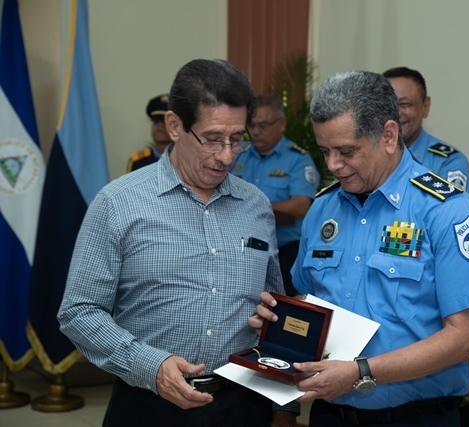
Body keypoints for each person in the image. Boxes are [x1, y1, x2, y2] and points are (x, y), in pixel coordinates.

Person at [58, 59, 298, 427]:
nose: (226, 155)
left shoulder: (256, 206)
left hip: (243, 402)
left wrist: (284, 403)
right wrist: (150, 366)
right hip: (147, 404)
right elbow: (79, 311)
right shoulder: (118, 203)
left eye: (237, 139)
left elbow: (272, 306)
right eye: (213, 139)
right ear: (175, 126)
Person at [251, 70, 469, 426]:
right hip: (331, 414)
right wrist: (280, 323)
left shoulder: (448, 212)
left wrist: (361, 372)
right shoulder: (323, 208)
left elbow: (462, 340)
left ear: (388, 136)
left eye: (346, 151)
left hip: (413, 418)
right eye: (324, 151)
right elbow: (310, 300)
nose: (332, 165)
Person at [231, 94, 319, 297]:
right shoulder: (238, 156)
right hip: (242, 249)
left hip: (285, 250)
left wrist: (257, 206)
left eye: (263, 126)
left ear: (281, 124)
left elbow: (301, 205)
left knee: (282, 306)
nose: (255, 132)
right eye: (251, 125)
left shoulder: (298, 159)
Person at [382, 66, 469, 196]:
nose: (396, 113)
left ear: (425, 106)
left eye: (404, 104)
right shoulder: (368, 156)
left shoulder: (449, 162)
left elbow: (453, 209)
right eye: (388, 106)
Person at [125, 93, 173, 173]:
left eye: (165, 121)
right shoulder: (138, 162)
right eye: (156, 121)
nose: (160, 125)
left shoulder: (188, 159)